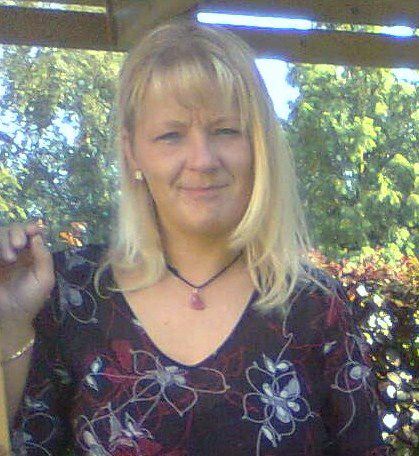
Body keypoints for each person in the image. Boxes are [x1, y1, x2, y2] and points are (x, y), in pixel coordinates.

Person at [0, 18, 393, 455]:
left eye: (225, 130)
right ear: (132, 152)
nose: (202, 159)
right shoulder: (69, 293)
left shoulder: (315, 306)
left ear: (258, 144)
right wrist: (10, 324)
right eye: (170, 135)